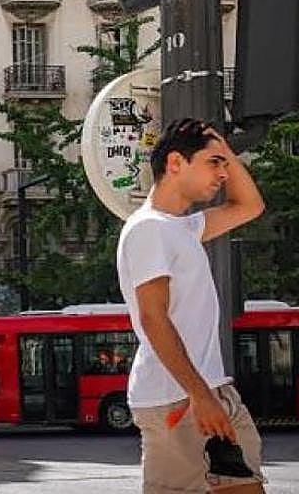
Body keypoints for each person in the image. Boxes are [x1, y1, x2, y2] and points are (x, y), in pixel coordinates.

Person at [117, 119, 268, 493]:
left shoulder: (182, 227)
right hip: (177, 399)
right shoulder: (148, 229)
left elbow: (250, 205)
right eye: (212, 163)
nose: (222, 173)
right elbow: (154, 319)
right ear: (174, 164)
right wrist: (200, 396)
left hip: (211, 390)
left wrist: (225, 150)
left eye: (223, 164)